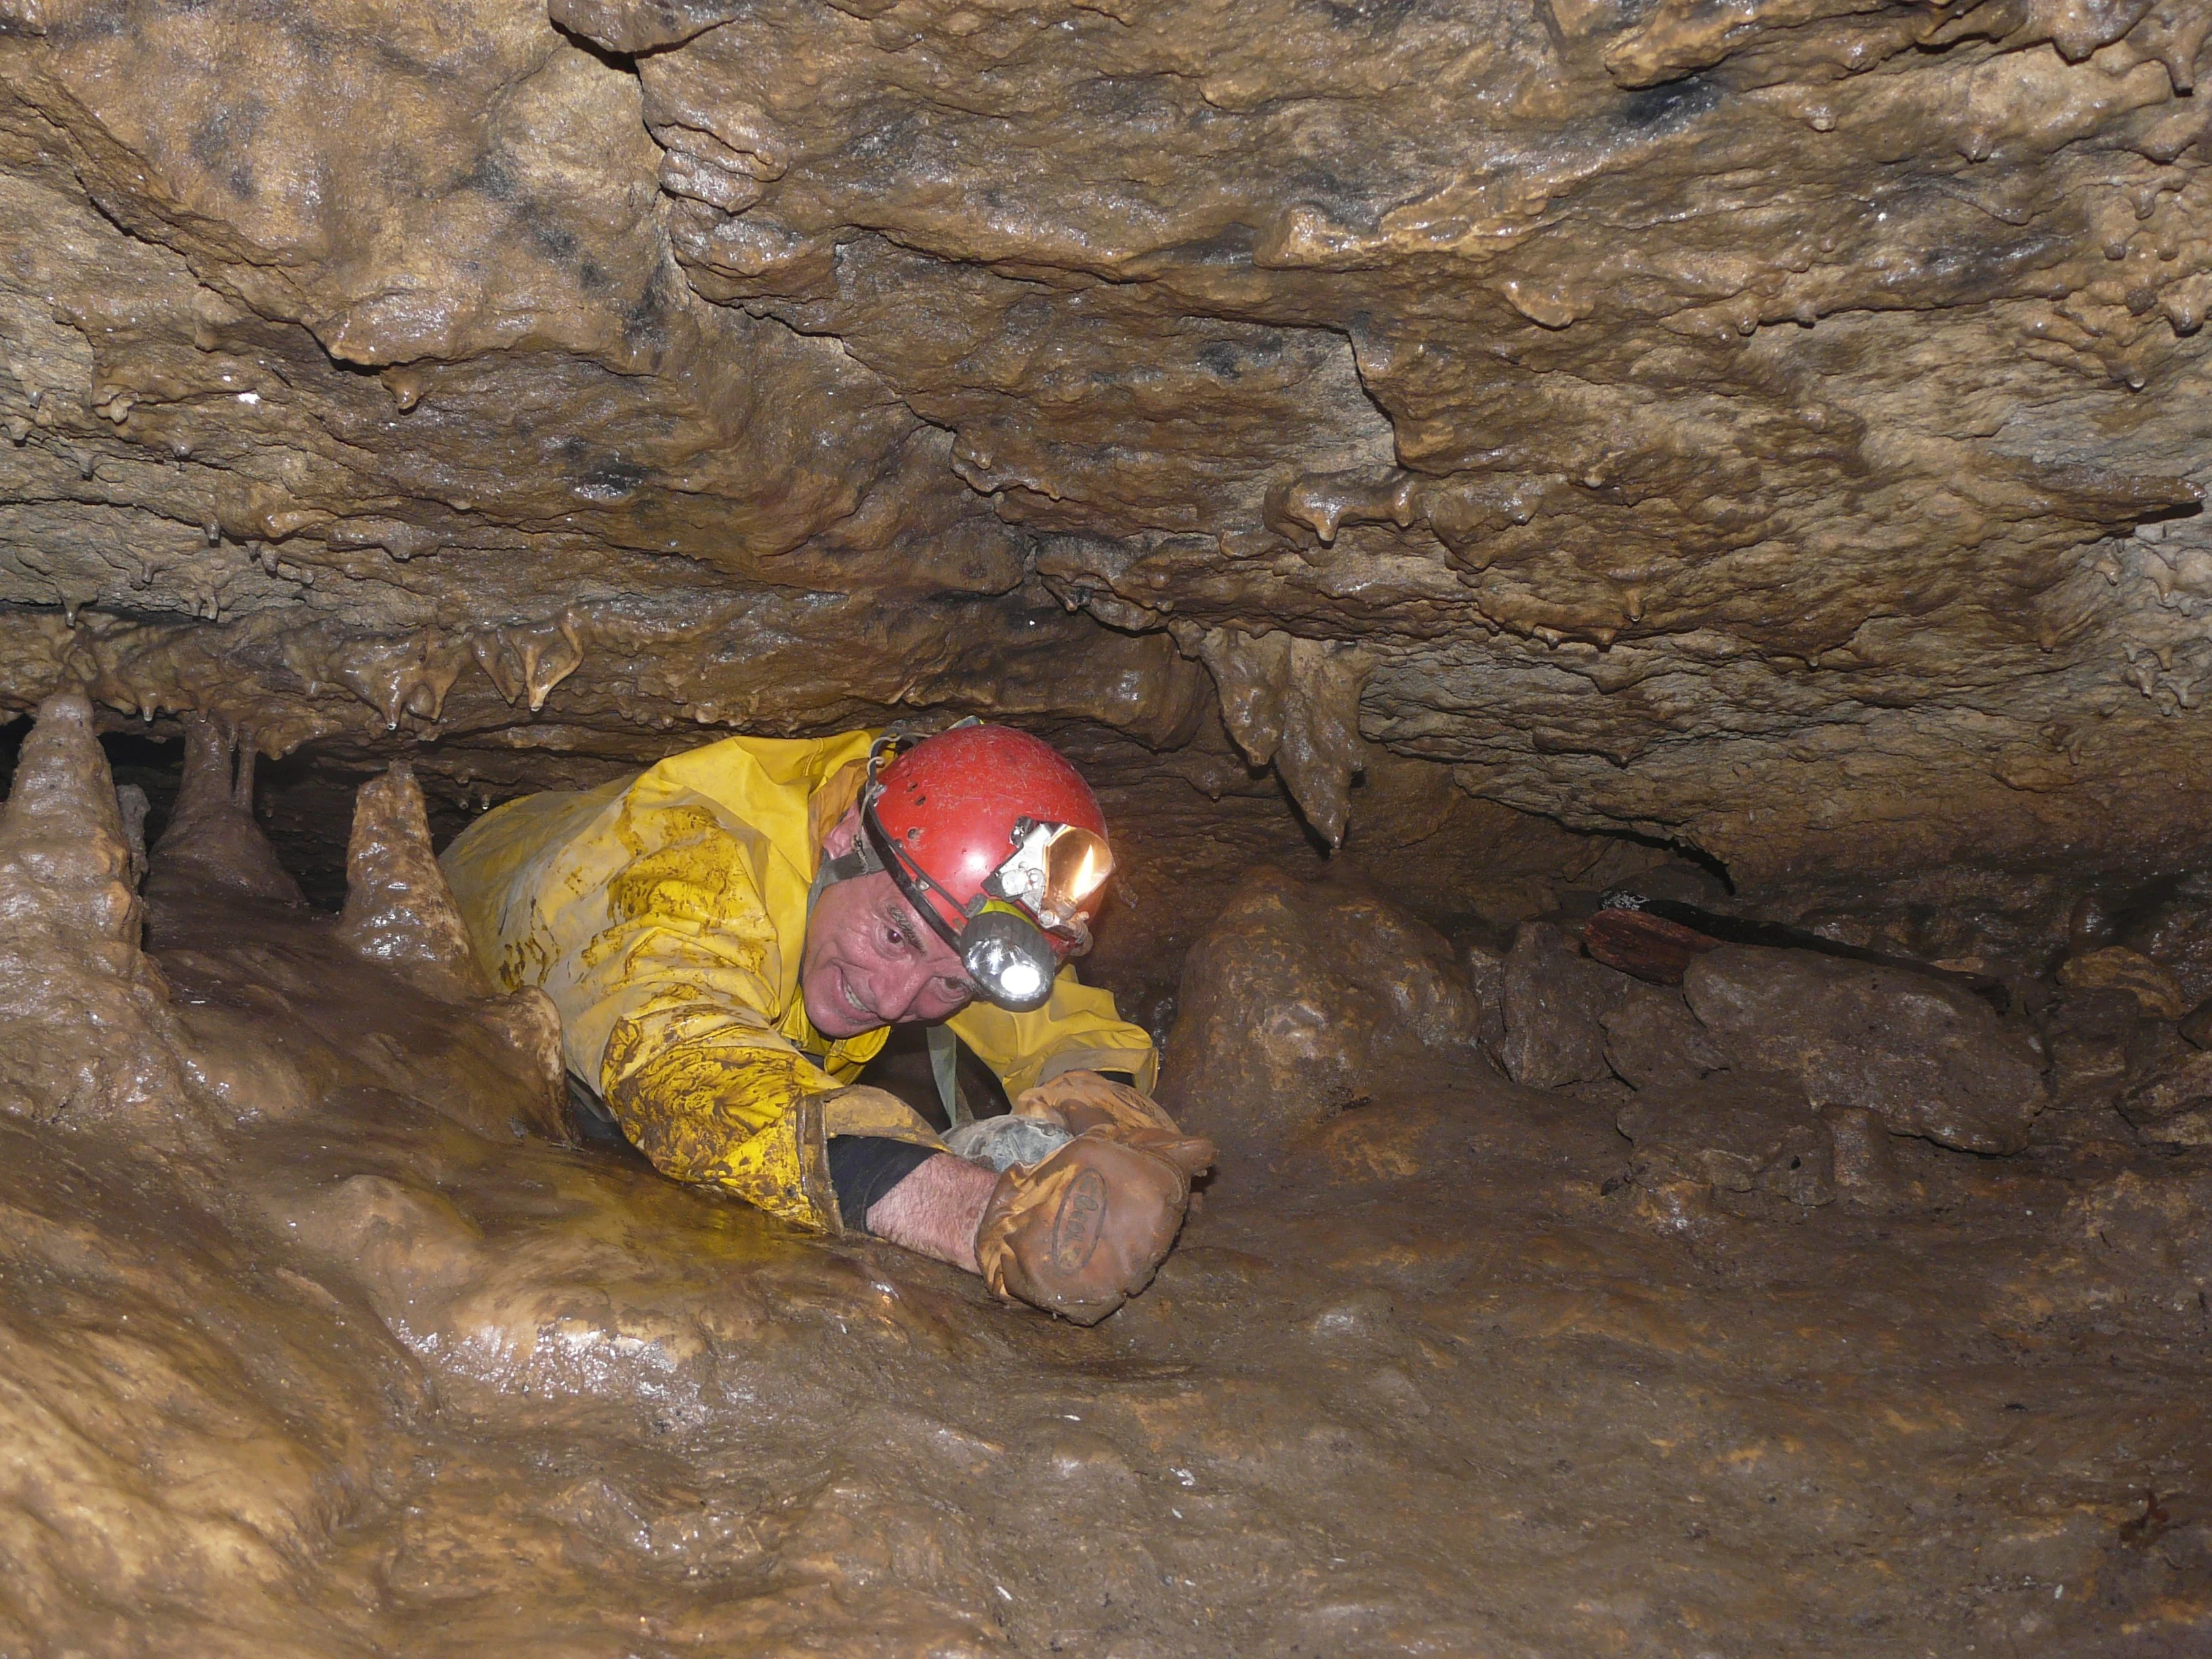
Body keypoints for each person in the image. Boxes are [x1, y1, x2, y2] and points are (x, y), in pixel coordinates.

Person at [441, 722, 1213, 1324]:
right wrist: (972, 1211)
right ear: (845, 835)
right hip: (485, 957)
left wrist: (1109, 1118)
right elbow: (682, 1059)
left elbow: (1055, 1017)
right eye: (895, 937)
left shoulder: (908, 860)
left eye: (948, 984)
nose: (891, 997)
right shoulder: (681, 868)